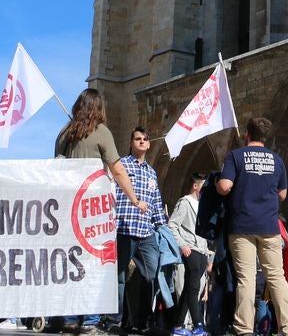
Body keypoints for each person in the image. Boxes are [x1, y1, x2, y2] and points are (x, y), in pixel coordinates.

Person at [55, 88, 147, 336]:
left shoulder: (64, 133)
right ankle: (91, 320)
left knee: (71, 261)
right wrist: (135, 199)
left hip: (68, 206)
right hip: (93, 209)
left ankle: (70, 319)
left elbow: (56, 167)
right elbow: (117, 170)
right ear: (99, 109)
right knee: (95, 263)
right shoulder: (102, 132)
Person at [217, 116, 288, 336]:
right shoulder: (276, 160)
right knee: (276, 277)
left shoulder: (236, 156)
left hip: (242, 226)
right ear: (264, 136)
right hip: (269, 226)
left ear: (246, 135)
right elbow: (282, 194)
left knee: (246, 278)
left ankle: (244, 329)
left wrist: (217, 182)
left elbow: (224, 186)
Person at [114, 127, 171, 333]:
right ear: (131, 143)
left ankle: (144, 322)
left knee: (150, 275)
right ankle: (115, 321)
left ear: (149, 144)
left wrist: (163, 228)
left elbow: (156, 203)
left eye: (145, 139)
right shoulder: (120, 165)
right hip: (123, 228)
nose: (141, 142)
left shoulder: (151, 172)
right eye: (137, 139)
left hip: (146, 232)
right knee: (119, 276)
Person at [169, 173, 212, 336]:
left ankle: (178, 326)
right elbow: (172, 224)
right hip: (190, 249)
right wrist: (182, 245)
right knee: (193, 288)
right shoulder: (185, 203)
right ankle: (198, 325)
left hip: (202, 250)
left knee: (190, 288)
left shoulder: (203, 206)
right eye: (203, 186)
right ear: (195, 186)